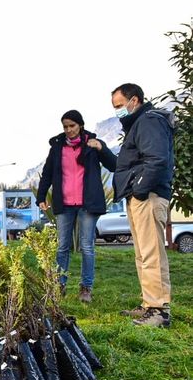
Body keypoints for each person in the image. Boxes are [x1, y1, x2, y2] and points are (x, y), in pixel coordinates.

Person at [111, 83, 175, 328]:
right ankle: (150, 304)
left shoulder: (149, 121)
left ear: (134, 100)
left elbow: (157, 159)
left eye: (119, 105)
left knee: (151, 254)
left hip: (147, 196)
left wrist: (139, 190)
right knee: (143, 254)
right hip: (140, 196)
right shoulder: (138, 124)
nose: (117, 111)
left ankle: (159, 311)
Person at [36, 110, 117, 302]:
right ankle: (59, 285)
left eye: (72, 126)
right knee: (62, 246)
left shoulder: (92, 143)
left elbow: (113, 165)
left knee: (87, 246)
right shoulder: (57, 147)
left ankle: (86, 288)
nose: (69, 130)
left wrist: (101, 148)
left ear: (80, 125)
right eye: (65, 127)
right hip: (64, 204)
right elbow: (47, 173)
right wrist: (41, 196)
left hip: (87, 204)